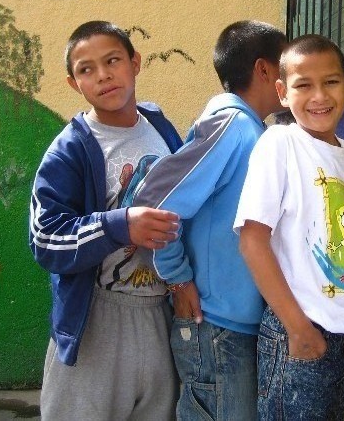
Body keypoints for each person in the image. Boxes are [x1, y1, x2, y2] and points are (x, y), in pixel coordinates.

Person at [121, 21, 286, 420]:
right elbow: (157, 199)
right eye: (288, 65)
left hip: (236, 323)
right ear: (264, 70)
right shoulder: (232, 126)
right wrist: (177, 276)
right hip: (213, 325)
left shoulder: (254, 130)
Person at [234, 35, 344, 420]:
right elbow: (252, 241)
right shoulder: (280, 143)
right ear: (282, 92)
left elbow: (342, 229)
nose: (319, 96)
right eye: (303, 85)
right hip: (300, 331)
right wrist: (297, 329)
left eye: (330, 82)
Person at [28, 21, 182, 421]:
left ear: (135, 63)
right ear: (73, 83)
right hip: (96, 318)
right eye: (86, 69)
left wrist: (184, 281)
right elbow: (45, 240)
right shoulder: (70, 150)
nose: (102, 75)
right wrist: (120, 226)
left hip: (160, 313)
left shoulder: (161, 129)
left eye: (112, 60)